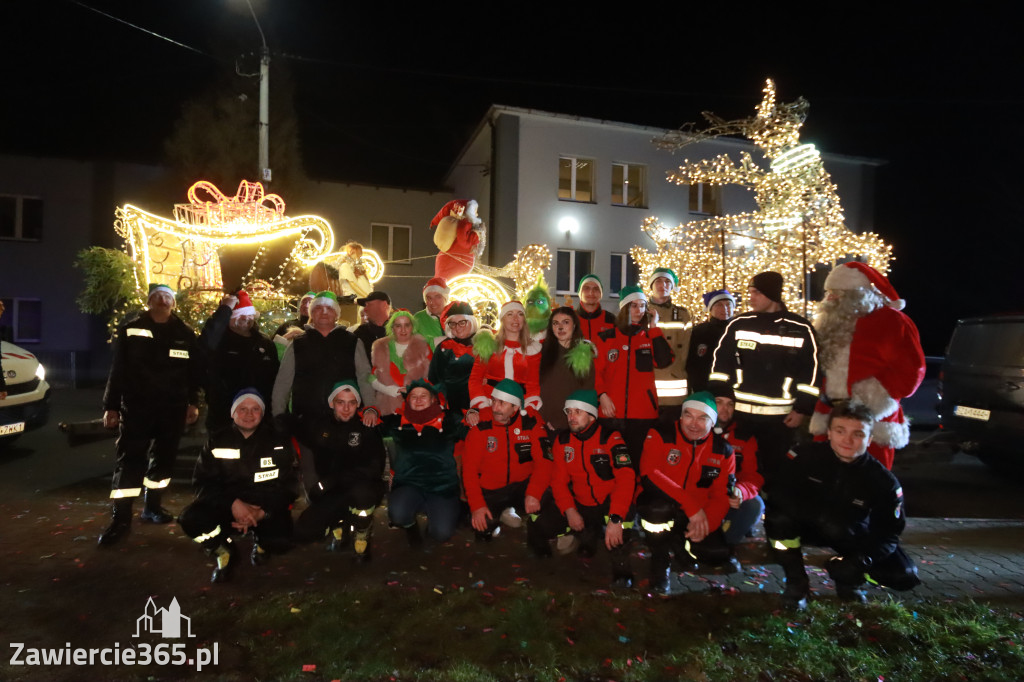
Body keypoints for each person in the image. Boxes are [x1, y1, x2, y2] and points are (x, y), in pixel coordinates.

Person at [765, 402, 920, 609]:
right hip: (805, 525)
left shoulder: (883, 481)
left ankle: (848, 581)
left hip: (849, 533)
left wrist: (860, 561)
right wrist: (818, 515)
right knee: (777, 521)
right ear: (829, 433)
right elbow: (778, 494)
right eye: (840, 431)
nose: (848, 440)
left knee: (902, 574)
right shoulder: (803, 456)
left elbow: (889, 533)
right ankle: (797, 582)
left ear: (869, 439)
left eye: (858, 434)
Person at [98, 283, 201, 547]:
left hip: (173, 409)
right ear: (149, 301)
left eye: (167, 296)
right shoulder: (131, 329)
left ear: (173, 303)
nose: (163, 300)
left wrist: (192, 402)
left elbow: (193, 374)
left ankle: (152, 507)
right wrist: (110, 406)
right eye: (157, 296)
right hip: (138, 408)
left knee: (164, 461)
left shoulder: (185, 333)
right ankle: (120, 519)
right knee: (130, 461)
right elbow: (118, 370)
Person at [708, 271, 820, 487]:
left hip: (780, 421)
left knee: (776, 474)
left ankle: (772, 516)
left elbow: (811, 373)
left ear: (772, 294)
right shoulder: (739, 324)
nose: (750, 297)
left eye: (756, 292)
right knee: (735, 471)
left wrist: (802, 410)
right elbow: (720, 365)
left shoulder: (800, 328)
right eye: (750, 292)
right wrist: (720, 401)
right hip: (739, 417)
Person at [810, 262, 925, 470]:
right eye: (829, 292)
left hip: (873, 413)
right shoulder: (825, 323)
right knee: (824, 473)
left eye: (839, 292)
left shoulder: (892, 320)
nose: (831, 298)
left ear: (859, 294)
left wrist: (880, 393)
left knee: (871, 475)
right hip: (830, 410)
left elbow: (912, 368)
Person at [178, 389, 298, 583]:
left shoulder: (278, 442)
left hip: (263, 506)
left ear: (262, 412)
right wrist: (233, 504)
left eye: (255, 409)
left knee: (282, 541)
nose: (249, 414)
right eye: (242, 409)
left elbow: (288, 486)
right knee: (190, 519)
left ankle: (262, 544)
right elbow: (202, 484)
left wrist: (262, 512)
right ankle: (223, 549)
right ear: (233, 412)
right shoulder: (216, 441)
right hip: (227, 506)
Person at [637, 392, 739, 594]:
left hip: (696, 515)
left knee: (716, 554)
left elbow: (722, 495)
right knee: (656, 509)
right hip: (663, 504)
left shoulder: (723, 450)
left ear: (713, 422)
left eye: (703, 418)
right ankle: (660, 560)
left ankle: (681, 543)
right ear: (681, 416)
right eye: (689, 415)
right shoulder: (661, 433)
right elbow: (649, 474)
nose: (694, 424)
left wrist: (706, 523)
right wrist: (691, 507)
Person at [536, 390, 637, 588]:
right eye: (569, 412)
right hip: (581, 502)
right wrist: (570, 510)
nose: (571, 417)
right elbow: (558, 481)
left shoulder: (611, 437)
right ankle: (587, 535)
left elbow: (626, 478)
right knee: (543, 521)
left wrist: (616, 517)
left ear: (591, 415)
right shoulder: (563, 441)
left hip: (609, 502)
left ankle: (621, 562)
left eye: (578, 412)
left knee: (622, 520)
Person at [293, 381, 387, 561]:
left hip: (361, 488)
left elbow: (374, 469)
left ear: (358, 404)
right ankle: (340, 525)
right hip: (333, 490)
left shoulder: (366, 428)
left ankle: (362, 531)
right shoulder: (320, 427)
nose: (346, 408)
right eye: (340, 402)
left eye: (351, 402)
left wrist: (334, 480)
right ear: (331, 403)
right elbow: (298, 430)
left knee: (362, 494)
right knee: (304, 532)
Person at [461, 380, 554, 554]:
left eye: (502, 403)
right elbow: (469, 471)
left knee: (545, 499)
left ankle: (537, 537)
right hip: (492, 489)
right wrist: (477, 505)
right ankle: (497, 519)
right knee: (482, 528)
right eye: (494, 401)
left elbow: (545, 462)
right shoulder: (480, 426)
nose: (495, 407)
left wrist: (534, 492)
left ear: (516, 407)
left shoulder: (531, 423)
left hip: (522, 485)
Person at [379, 379, 468, 545]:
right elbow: (373, 424)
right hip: (408, 483)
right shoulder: (398, 421)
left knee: (441, 533)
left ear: (433, 399)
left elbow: (474, 431)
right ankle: (410, 526)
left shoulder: (449, 420)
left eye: (423, 396)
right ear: (408, 400)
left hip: (442, 487)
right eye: (414, 396)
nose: (418, 400)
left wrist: (471, 414)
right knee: (397, 514)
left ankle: (436, 520)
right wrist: (370, 411)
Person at [594, 285, 673, 465]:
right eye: (633, 305)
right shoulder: (606, 338)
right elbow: (595, 372)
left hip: (643, 415)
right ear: (624, 308)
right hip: (611, 413)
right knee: (612, 463)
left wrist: (654, 327)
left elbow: (664, 361)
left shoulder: (650, 337)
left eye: (642, 305)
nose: (639, 310)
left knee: (638, 463)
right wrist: (602, 396)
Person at [271, 291, 357, 445]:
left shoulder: (351, 342)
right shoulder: (297, 344)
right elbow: (283, 383)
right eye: (318, 308)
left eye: (329, 309)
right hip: (306, 419)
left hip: (343, 418)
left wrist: (370, 408)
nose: (324, 313)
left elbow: (363, 377)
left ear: (336, 314)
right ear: (312, 314)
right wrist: (278, 416)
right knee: (309, 464)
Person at [199, 289, 279, 432]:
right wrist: (225, 309)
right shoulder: (219, 340)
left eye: (249, 315)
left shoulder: (264, 342)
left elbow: (274, 377)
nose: (246, 319)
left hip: (260, 416)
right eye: (240, 316)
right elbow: (204, 347)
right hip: (224, 416)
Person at [469, 300, 542, 415]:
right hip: (490, 404)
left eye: (520, 314)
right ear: (502, 319)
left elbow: (532, 384)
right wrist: (482, 404)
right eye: (510, 314)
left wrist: (529, 407)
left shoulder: (533, 349)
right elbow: (475, 379)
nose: (515, 319)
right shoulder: (488, 344)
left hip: (518, 406)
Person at [712, 396, 765, 546]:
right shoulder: (696, 429)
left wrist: (741, 492)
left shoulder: (745, 437)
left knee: (754, 504)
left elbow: (754, 475)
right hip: (701, 491)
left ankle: (724, 545)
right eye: (719, 402)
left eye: (730, 404)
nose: (725, 408)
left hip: (731, 493)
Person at [538, 306, 595, 432]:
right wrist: (543, 418)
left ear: (574, 325)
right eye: (555, 323)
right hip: (542, 422)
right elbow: (534, 387)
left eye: (566, 322)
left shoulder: (583, 354)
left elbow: (587, 390)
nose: (560, 327)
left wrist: (569, 420)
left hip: (572, 423)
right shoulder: (540, 352)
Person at [647, 268, 694, 422]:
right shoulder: (640, 312)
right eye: (658, 281)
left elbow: (688, 349)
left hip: (675, 392)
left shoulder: (683, 315)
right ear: (651, 285)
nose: (663, 285)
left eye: (668, 281)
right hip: (647, 389)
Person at [366, 310, 431, 416]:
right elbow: (372, 378)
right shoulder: (380, 346)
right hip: (387, 406)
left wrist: (413, 391)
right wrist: (392, 391)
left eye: (407, 325)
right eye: (398, 326)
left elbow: (430, 378)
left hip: (417, 407)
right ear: (392, 328)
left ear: (412, 327)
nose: (403, 330)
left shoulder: (423, 347)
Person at [427, 301, 478, 416]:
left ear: (471, 321)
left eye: (462, 322)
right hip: (451, 406)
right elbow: (434, 378)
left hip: (480, 402)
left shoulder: (484, 343)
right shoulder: (444, 347)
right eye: (453, 324)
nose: (457, 327)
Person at [685, 289, 736, 393]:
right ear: (710, 309)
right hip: (705, 388)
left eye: (728, 305)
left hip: (732, 388)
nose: (725, 309)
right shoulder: (699, 332)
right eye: (719, 305)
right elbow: (691, 362)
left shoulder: (739, 330)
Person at [428, 199, 486, 280]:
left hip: (452, 263)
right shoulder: (464, 224)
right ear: (469, 212)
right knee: (447, 285)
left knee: (445, 284)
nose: (477, 214)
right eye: (475, 211)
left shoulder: (465, 225)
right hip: (452, 264)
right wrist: (475, 235)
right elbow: (463, 242)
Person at [352, 291, 392, 405]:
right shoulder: (359, 333)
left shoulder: (400, 330)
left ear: (384, 305)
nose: (365, 309)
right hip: (367, 396)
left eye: (369, 305)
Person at [574, 274, 616, 344]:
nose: (591, 293)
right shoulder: (570, 318)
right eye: (586, 288)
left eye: (596, 289)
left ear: (601, 294)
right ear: (580, 293)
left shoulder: (611, 319)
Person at [413, 277, 448, 351]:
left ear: (445, 298)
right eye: (429, 298)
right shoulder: (417, 319)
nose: (433, 302)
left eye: (438, 297)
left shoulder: (455, 316)